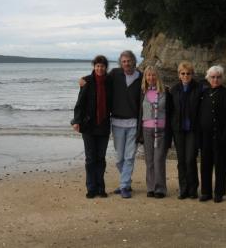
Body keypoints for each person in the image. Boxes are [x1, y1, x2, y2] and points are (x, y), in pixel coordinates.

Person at [79, 50, 142, 199]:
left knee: (129, 157)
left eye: (129, 61)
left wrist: (164, 90)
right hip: (117, 123)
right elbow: (98, 78)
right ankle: (125, 180)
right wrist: (83, 80)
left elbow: (152, 84)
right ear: (121, 63)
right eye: (124, 61)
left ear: (134, 61)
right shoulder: (114, 74)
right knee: (120, 158)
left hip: (133, 123)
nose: (127, 63)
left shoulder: (141, 77)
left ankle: (125, 185)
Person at [71, 55, 112, 199]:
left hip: (104, 125)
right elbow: (79, 104)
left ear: (106, 67)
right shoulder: (87, 81)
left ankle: (101, 188)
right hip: (88, 126)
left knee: (101, 158)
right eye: (97, 66)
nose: (100, 68)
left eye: (102, 66)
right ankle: (91, 188)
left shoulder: (109, 82)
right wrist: (76, 121)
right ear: (94, 67)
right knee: (90, 158)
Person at [198, 65, 226, 203]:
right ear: (208, 78)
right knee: (205, 165)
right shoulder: (204, 93)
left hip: (222, 137)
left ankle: (219, 193)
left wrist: (225, 135)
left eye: (218, 77)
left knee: (221, 165)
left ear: (222, 78)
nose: (215, 79)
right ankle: (205, 192)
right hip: (205, 137)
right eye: (213, 77)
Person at [137, 66, 172, 198]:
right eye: (148, 75)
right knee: (149, 161)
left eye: (153, 75)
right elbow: (139, 112)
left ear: (157, 77)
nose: (151, 78)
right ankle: (151, 187)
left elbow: (171, 112)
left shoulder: (165, 92)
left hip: (161, 131)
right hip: (146, 130)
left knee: (159, 160)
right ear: (145, 77)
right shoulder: (142, 92)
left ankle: (160, 189)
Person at [170, 61, 202, 200]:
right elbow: (170, 110)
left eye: (188, 73)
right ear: (179, 75)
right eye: (183, 73)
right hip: (178, 130)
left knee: (190, 159)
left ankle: (193, 189)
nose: (185, 76)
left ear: (192, 74)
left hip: (193, 130)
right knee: (181, 160)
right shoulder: (174, 90)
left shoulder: (199, 88)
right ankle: (183, 189)